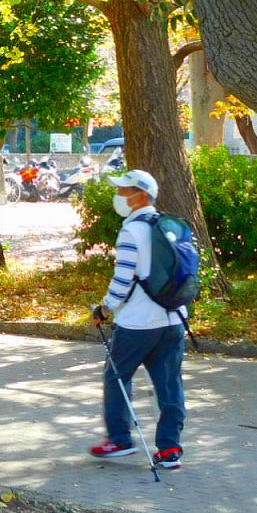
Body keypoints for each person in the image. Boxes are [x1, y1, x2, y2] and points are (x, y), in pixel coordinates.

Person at [89, 169, 187, 470]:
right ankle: (170, 449)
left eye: (124, 190)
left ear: (141, 195)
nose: (119, 195)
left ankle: (119, 440)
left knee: (116, 376)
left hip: (137, 324)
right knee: (170, 386)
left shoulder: (131, 232)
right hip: (173, 320)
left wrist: (103, 310)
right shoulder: (168, 227)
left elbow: (122, 282)